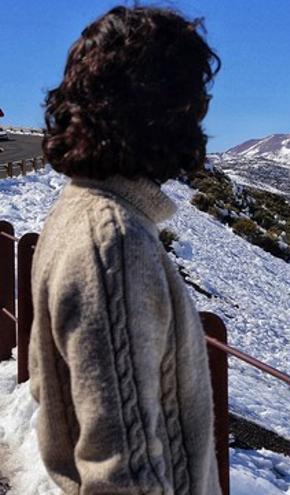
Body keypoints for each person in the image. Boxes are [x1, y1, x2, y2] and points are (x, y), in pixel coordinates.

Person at [30, 6, 222, 494]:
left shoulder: (78, 210)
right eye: (191, 100)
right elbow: (122, 474)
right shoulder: (112, 245)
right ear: (156, 111)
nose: (200, 115)